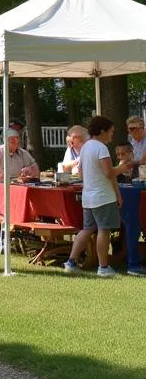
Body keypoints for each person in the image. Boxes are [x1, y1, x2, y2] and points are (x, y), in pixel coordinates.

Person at [64, 115, 123, 277]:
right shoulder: (101, 148)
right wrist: (123, 167)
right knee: (104, 230)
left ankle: (71, 262)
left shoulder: (86, 147)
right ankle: (103, 267)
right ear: (102, 131)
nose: (112, 135)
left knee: (87, 229)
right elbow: (109, 172)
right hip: (103, 197)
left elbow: (81, 173)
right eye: (111, 132)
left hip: (88, 197)